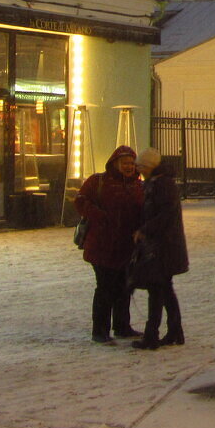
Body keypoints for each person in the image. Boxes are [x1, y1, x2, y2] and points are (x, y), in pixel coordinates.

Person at [74, 145, 144, 344]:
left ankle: (122, 326)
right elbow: (80, 201)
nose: (129, 167)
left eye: (131, 163)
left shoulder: (138, 185)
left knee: (123, 288)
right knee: (105, 288)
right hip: (102, 245)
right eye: (125, 163)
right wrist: (99, 216)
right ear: (115, 163)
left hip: (126, 247)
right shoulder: (98, 181)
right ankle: (100, 330)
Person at [130, 148, 189, 349]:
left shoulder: (162, 184)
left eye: (141, 167)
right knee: (164, 289)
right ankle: (174, 331)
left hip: (163, 246)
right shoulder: (160, 182)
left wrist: (144, 230)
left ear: (149, 167)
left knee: (156, 290)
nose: (139, 171)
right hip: (166, 246)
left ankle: (152, 335)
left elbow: (165, 215)